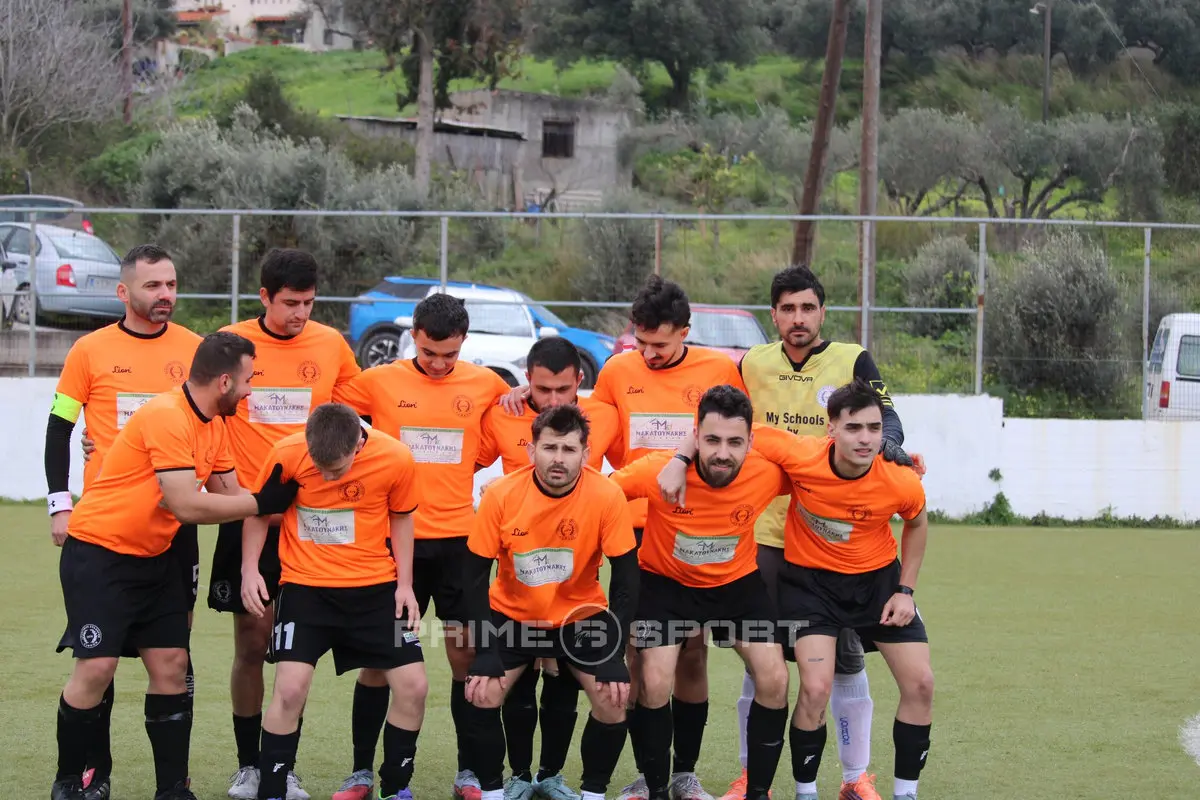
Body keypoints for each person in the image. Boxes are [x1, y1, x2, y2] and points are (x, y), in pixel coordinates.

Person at [51, 331, 300, 800]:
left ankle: (171, 790)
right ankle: (67, 782)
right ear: (224, 382)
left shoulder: (215, 425)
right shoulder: (167, 415)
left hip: (156, 558)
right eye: (248, 381)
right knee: (96, 668)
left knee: (171, 665)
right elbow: (187, 505)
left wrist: (300, 498)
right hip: (100, 554)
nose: (250, 392)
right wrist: (262, 501)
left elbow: (233, 496)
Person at [659, 379, 933, 800]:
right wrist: (680, 458)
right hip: (812, 587)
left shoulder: (900, 480)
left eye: (874, 429)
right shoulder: (799, 454)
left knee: (921, 684)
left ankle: (905, 793)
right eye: (853, 428)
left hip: (877, 583)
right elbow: (718, 429)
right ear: (831, 428)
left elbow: (917, 522)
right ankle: (806, 792)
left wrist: (905, 590)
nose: (865, 439)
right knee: (815, 687)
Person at [729, 266, 916, 800]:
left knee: (846, 657)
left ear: (822, 312)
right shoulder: (750, 362)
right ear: (773, 315)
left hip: (836, 542)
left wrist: (891, 447)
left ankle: (855, 778)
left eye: (808, 308)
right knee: (763, 660)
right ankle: (750, 776)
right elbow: (729, 426)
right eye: (788, 309)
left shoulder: (852, 358)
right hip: (764, 534)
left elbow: (887, 418)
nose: (798, 319)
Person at [333, 292, 511, 800]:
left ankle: (469, 772)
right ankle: (361, 772)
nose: (438, 363)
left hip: (460, 544)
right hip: (393, 541)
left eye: (449, 354)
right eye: (429, 352)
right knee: (378, 659)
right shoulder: (379, 381)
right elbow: (334, 411)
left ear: (464, 343)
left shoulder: (486, 383)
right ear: (413, 336)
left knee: (465, 655)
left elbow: (510, 414)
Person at [45, 244, 202, 800]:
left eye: (171, 285)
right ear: (123, 291)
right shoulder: (89, 350)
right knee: (100, 658)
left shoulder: (195, 349)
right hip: (107, 525)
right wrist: (59, 504)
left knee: (174, 656)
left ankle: (174, 781)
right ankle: (94, 770)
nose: (165, 295)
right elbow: (60, 427)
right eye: (153, 285)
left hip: (174, 527)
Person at [207, 249, 361, 800]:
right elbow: (199, 412)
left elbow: (363, 414)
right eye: (290, 302)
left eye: (309, 303)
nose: (300, 313)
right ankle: (248, 765)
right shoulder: (230, 343)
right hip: (246, 513)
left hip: (312, 521)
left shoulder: (332, 345)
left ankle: (283, 767)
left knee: (296, 651)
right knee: (252, 644)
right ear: (265, 297)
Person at [588, 275, 745, 800]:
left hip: (693, 528)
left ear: (685, 331)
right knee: (640, 656)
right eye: (641, 341)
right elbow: (593, 437)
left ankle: (685, 773)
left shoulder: (718, 370)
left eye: (659, 343)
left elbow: (734, 439)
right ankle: (649, 772)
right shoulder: (616, 370)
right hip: (633, 532)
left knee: (693, 653)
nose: (648, 353)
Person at [607, 386, 792, 800]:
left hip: (737, 587)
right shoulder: (658, 470)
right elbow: (600, 493)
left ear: (750, 441)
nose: (722, 453)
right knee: (653, 679)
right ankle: (655, 786)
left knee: (775, 677)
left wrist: (893, 459)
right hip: (665, 585)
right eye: (712, 440)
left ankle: (746, 791)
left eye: (734, 442)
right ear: (695, 437)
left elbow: (826, 464)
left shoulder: (767, 472)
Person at [239, 403, 426, 800]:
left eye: (336, 470)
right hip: (305, 589)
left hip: (376, 589)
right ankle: (272, 790)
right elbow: (258, 512)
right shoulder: (286, 452)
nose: (326, 477)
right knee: (290, 690)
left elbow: (402, 518)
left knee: (414, 686)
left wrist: (405, 585)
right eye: (319, 467)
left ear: (358, 444)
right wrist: (249, 570)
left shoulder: (396, 457)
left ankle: (395, 789)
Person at [462, 404, 640, 800]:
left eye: (569, 449)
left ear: (586, 454)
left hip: (580, 617)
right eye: (549, 448)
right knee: (481, 692)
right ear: (532, 450)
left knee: (614, 698)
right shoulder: (501, 495)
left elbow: (627, 580)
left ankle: (592, 794)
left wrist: (614, 653)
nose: (558, 459)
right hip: (513, 617)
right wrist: (485, 650)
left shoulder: (607, 495)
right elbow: (472, 578)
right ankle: (493, 793)